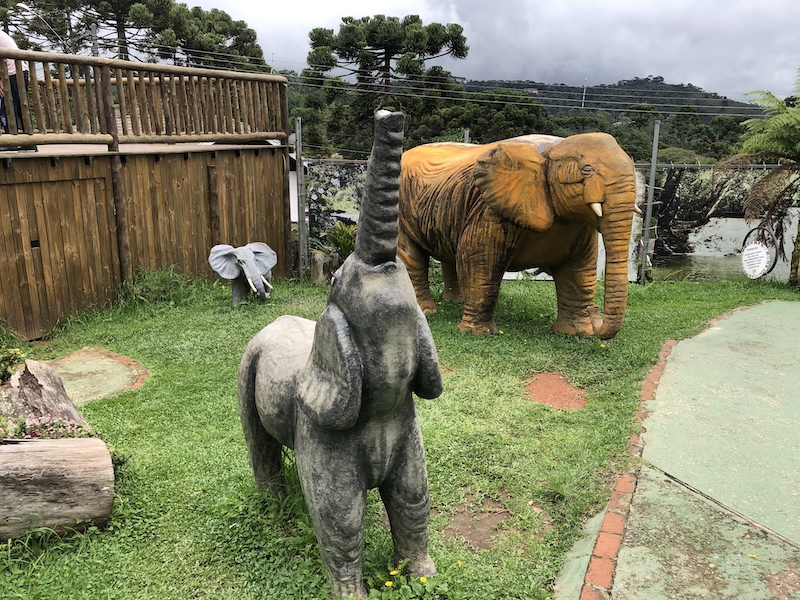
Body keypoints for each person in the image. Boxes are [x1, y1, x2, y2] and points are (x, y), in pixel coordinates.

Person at [0, 30, 29, 135]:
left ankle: (11, 140)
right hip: (19, 72)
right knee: (21, 107)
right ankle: (29, 143)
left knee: (8, 107)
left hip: (12, 74)